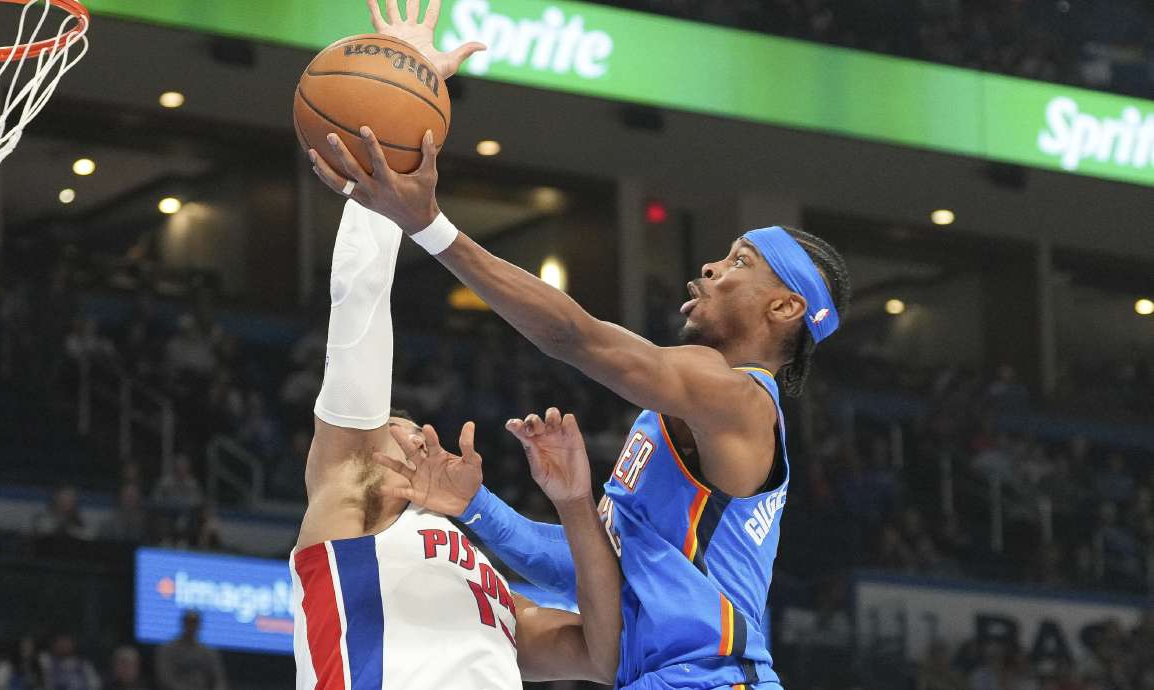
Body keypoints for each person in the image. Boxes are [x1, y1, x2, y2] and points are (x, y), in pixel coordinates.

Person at [307, 3, 851, 687]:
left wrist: (432, 226)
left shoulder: (739, 402)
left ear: (786, 306)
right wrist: (476, 507)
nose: (711, 268)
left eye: (740, 261)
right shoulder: (677, 417)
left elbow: (574, 336)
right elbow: (584, 572)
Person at [286, 24, 620, 683]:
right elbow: (358, 300)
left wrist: (576, 505)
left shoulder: (492, 591)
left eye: (417, 432)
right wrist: (392, 138)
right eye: (393, 428)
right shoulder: (346, 496)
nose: (414, 441)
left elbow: (604, 657)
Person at [154, 611, 225, 690]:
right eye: (189, 623)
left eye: (194, 623)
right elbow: (165, 678)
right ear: (183, 623)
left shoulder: (208, 652)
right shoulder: (168, 649)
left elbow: (218, 679)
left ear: (199, 625)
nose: (191, 627)